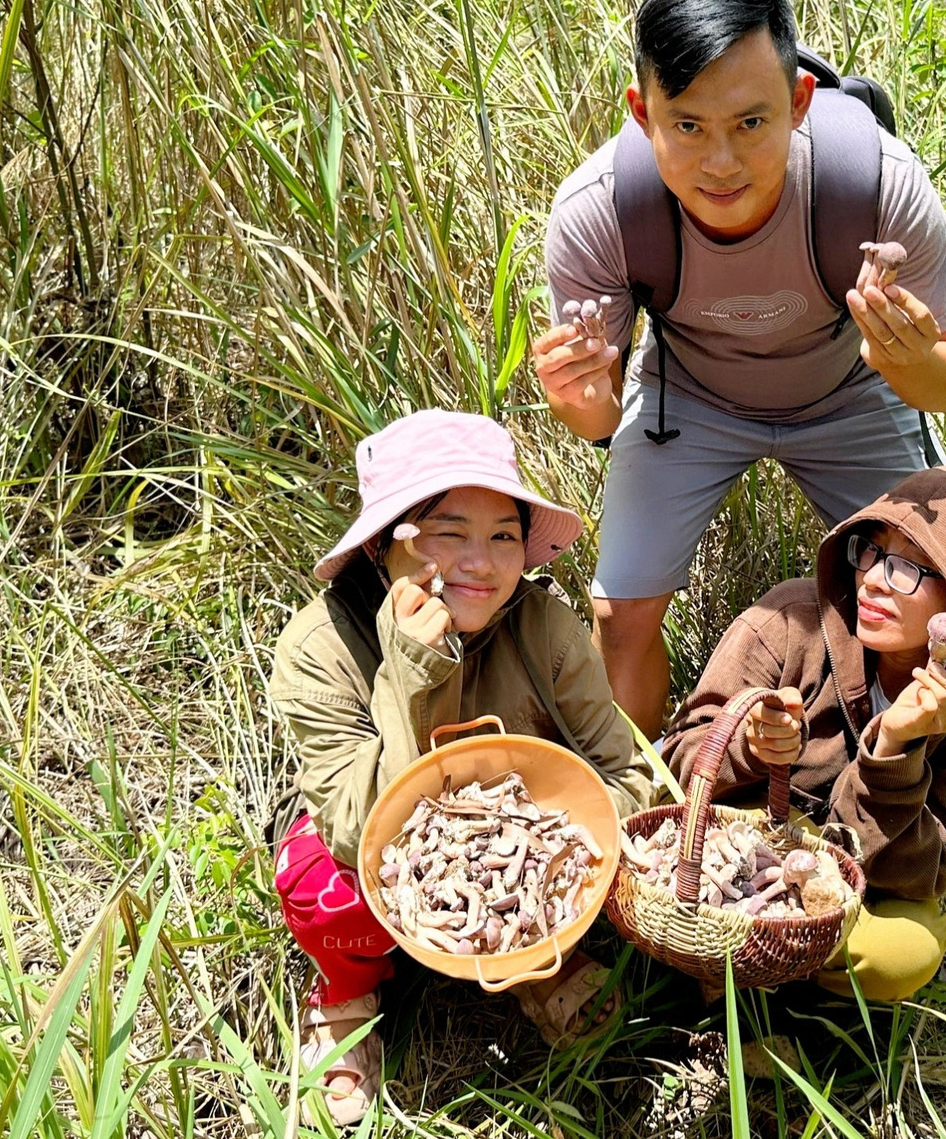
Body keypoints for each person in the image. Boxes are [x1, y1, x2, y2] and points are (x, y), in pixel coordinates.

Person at [534, 0, 946, 736]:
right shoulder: (598, 210)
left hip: (851, 389)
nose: (720, 162)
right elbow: (600, 418)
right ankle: (641, 799)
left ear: (799, 101)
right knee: (620, 608)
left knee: (923, 597)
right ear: (642, 113)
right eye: (688, 126)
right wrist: (580, 400)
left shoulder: (874, 184)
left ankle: (895, 783)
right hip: (692, 401)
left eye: (751, 122)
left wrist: (907, 361)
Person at [266, 410, 658, 1120]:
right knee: (315, 874)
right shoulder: (318, 648)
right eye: (449, 531)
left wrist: (562, 851)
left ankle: (540, 957)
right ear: (388, 542)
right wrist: (412, 667)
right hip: (376, 864)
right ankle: (350, 992)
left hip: (519, 856)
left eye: (504, 535)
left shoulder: (544, 628)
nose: (482, 561)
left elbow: (623, 771)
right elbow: (361, 833)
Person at [659, 467, 946, 1002]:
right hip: (752, 844)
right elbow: (676, 763)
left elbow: (926, 873)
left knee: (906, 950)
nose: (874, 579)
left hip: (863, 882)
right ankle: (732, 957)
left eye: (912, 566)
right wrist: (749, 748)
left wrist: (893, 753)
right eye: (872, 548)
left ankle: (772, 970)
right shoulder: (792, 620)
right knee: (695, 854)